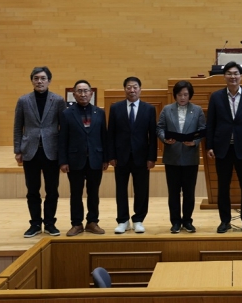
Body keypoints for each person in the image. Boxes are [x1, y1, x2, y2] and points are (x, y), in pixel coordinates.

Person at [206, 61, 242, 234]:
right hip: (222, 149)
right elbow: (211, 124)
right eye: (229, 73)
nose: (233, 76)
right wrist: (209, 146)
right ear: (224, 76)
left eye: (236, 73)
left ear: (241, 76)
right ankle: (225, 221)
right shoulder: (216, 97)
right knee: (223, 187)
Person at [13, 66, 67, 238]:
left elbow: (64, 128)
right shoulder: (23, 100)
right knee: (32, 190)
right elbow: (18, 127)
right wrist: (17, 150)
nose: (39, 81)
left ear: (49, 81)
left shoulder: (58, 100)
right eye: (36, 78)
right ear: (32, 81)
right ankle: (35, 224)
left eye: (43, 78)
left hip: (52, 151)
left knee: (52, 190)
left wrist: (63, 152)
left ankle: (50, 223)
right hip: (30, 151)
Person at [58, 80, 109, 237]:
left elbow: (104, 136)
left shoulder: (99, 112)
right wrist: (63, 161)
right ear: (74, 94)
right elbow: (62, 139)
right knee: (76, 194)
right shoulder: (67, 114)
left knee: (93, 193)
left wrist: (105, 158)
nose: (83, 94)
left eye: (86, 91)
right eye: (79, 91)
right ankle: (76, 223)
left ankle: (92, 222)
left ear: (91, 93)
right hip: (75, 160)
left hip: (95, 159)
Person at [107, 76, 157, 234]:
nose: (132, 90)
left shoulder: (149, 109)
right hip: (120, 157)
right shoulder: (116, 108)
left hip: (142, 157)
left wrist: (152, 158)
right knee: (121, 190)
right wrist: (111, 155)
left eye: (135, 87)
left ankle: (138, 220)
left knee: (141, 190)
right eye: (129, 87)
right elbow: (111, 133)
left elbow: (152, 136)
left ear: (140, 89)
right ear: (125, 89)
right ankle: (123, 220)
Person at [156, 80, 206, 234]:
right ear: (175, 95)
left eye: (185, 94)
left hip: (190, 157)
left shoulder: (197, 110)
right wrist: (165, 139)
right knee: (174, 192)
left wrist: (195, 141)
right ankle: (175, 222)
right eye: (179, 95)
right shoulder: (167, 109)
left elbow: (202, 129)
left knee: (189, 192)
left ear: (190, 95)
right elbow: (160, 128)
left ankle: (188, 221)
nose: (182, 97)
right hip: (172, 157)